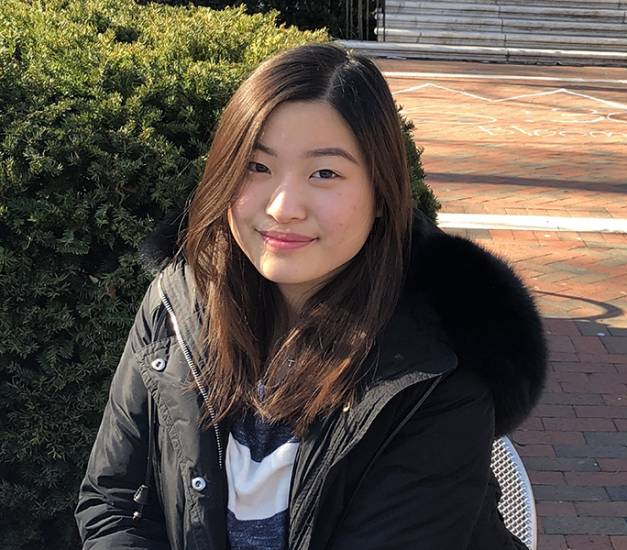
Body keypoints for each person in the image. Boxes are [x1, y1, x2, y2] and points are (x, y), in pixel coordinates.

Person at [75, 43, 547, 550]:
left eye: (325, 173)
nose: (283, 207)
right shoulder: (182, 301)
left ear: (382, 195)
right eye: (257, 166)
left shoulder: (435, 369)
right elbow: (114, 503)